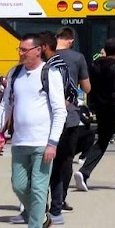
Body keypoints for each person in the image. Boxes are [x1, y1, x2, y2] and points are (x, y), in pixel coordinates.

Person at [0, 35, 66, 228]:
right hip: (20, 140)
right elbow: (5, 104)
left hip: (43, 141)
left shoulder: (49, 74)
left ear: (38, 50)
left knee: (39, 187)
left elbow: (59, 110)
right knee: (19, 184)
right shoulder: (15, 74)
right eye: (20, 49)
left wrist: (53, 142)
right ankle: (42, 216)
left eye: (25, 49)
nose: (21, 53)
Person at [42, 27, 93, 218]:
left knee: (44, 160)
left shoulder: (45, 56)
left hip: (45, 115)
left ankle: (41, 200)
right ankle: (60, 199)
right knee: (65, 159)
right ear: (70, 40)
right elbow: (87, 88)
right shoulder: (77, 58)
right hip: (69, 116)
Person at [79, 37, 115, 190]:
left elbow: (91, 88)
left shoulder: (94, 66)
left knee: (102, 142)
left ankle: (84, 171)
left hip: (101, 109)